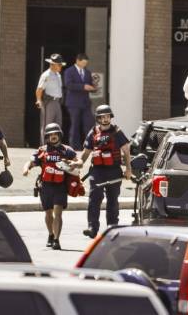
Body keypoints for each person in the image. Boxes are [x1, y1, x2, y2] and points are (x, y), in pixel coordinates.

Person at [22, 123, 81, 250]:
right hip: (45, 187)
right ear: (47, 137)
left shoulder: (67, 150)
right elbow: (31, 161)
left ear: (59, 135)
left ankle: (56, 240)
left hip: (60, 187)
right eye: (50, 134)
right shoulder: (42, 150)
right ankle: (50, 234)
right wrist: (26, 168)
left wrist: (73, 163)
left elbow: (79, 163)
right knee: (48, 214)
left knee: (58, 214)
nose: (53, 136)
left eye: (55, 134)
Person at [78, 105, 131, 239]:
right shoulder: (93, 132)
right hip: (97, 171)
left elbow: (126, 151)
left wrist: (128, 169)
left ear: (110, 117)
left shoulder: (117, 132)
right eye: (103, 117)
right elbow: (86, 152)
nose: (105, 119)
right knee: (94, 200)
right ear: (98, 118)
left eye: (107, 116)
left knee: (112, 201)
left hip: (114, 171)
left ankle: (112, 229)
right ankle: (92, 228)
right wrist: (78, 164)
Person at [63, 53, 96, 150]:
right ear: (77, 61)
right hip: (73, 103)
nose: (85, 65)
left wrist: (94, 88)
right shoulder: (69, 71)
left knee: (89, 124)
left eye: (86, 63)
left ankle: (90, 146)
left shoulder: (88, 72)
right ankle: (74, 147)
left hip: (86, 103)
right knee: (75, 125)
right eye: (83, 63)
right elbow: (68, 85)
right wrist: (83, 87)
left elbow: (89, 85)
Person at [36, 53, 65, 142]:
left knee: (57, 125)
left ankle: (56, 146)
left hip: (57, 102)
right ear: (52, 65)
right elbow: (39, 89)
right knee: (47, 125)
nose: (61, 66)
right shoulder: (46, 75)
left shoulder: (58, 75)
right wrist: (39, 100)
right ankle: (45, 146)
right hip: (49, 102)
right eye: (59, 64)